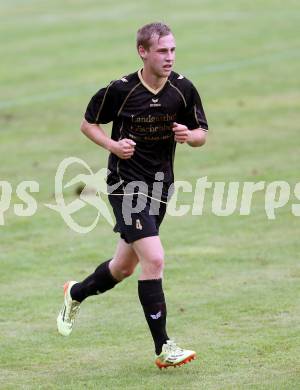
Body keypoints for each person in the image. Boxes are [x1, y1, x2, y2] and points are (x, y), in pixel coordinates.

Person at [57, 22, 208, 369]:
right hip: (126, 185)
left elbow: (202, 133)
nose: (169, 57)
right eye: (161, 51)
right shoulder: (120, 90)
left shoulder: (182, 89)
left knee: (124, 267)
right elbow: (88, 123)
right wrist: (112, 145)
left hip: (161, 187)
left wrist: (189, 135)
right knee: (154, 259)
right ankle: (164, 347)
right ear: (143, 51)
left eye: (172, 50)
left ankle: (75, 292)